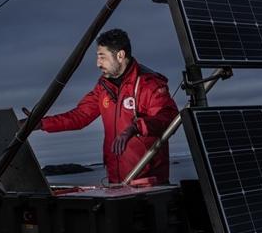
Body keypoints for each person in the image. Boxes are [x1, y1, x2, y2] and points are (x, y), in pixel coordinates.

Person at [32, 28, 178, 184]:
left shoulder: (149, 84)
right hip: (116, 182)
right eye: (97, 57)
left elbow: (168, 117)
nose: (98, 63)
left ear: (120, 56)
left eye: (102, 57)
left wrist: (135, 127)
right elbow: (80, 116)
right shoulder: (104, 87)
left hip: (148, 183)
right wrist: (41, 123)